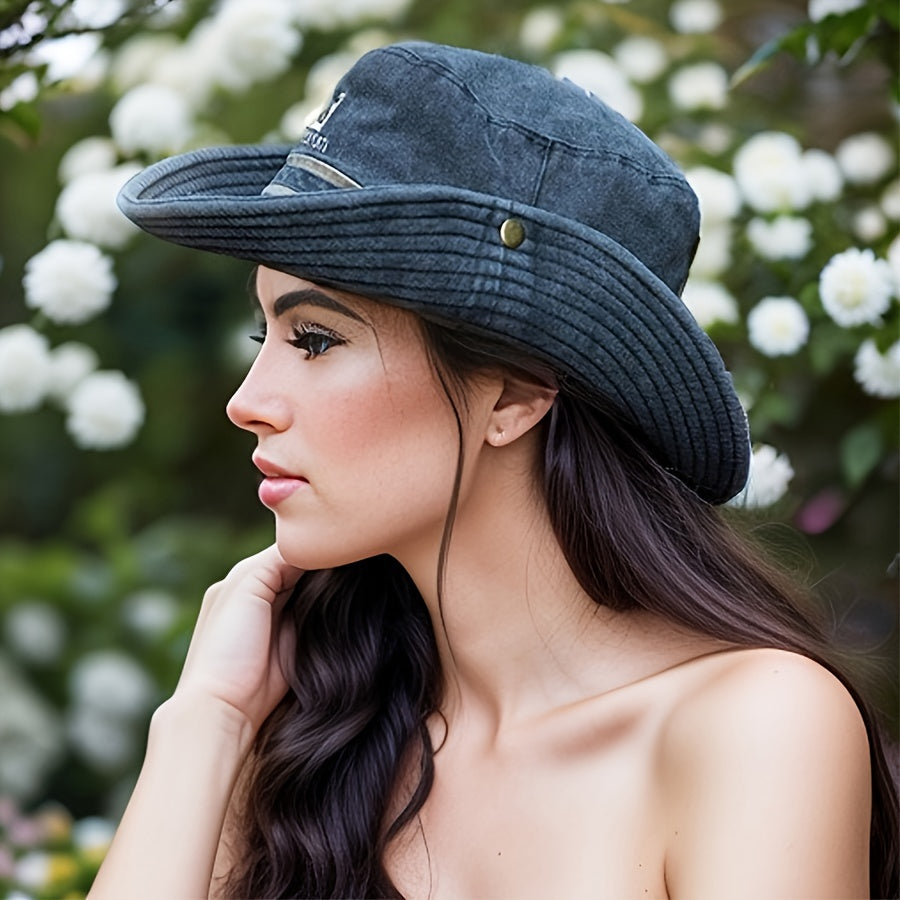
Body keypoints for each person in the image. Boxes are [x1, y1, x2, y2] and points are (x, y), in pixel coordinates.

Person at [92, 42, 896, 899]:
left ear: (513, 395)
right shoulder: (310, 737)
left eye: (315, 339)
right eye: (268, 338)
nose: (248, 401)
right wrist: (203, 723)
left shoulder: (753, 727)